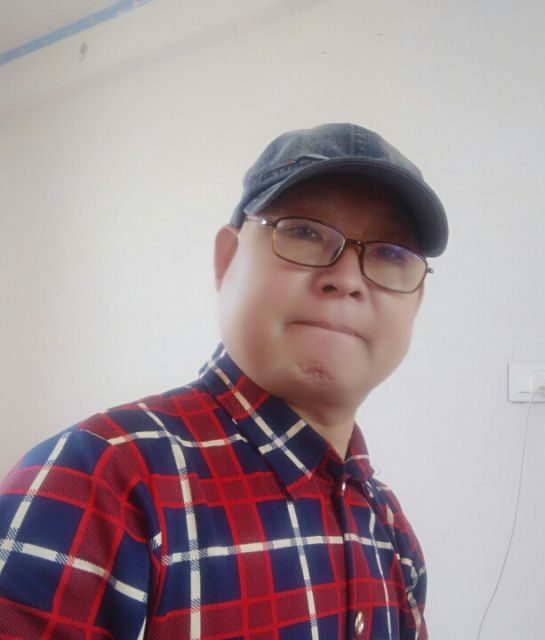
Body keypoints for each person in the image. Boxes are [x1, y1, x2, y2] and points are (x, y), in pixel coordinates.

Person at [0, 123, 448, 639]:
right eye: (304, 232)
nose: (346, 278)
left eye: (391, 254)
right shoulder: (99, 482)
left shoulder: (388, 526)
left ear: (416, 301)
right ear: (226, 260)